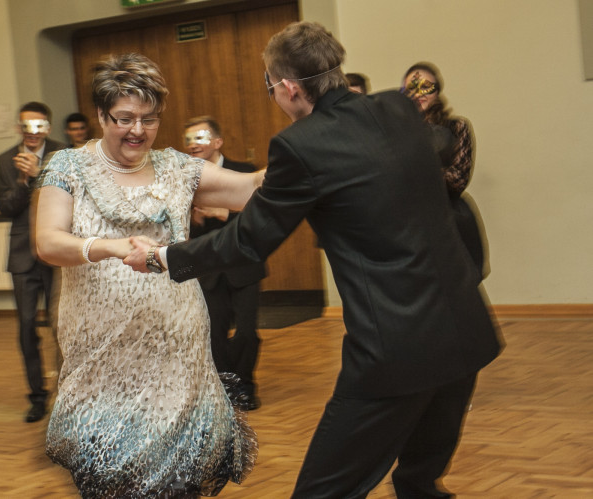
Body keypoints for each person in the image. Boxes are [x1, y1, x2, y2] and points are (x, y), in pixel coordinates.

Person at [125, 21, 503, 498]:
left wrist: (161, 257)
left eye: (269, 86)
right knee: (418, 482)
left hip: (396, 346)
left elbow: (246, 242)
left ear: (288, 88)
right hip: (465, 326)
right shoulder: (398, 108)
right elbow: (440, 144)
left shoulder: (300, 145)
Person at [34, 53, 260, 497]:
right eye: (125, 118)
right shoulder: (67, 168)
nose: (138, 130)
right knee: (111, 479)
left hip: (178, 352)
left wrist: (308, 149)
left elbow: (251, 189)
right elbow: (48, 242)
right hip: (103, 360)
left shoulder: (178, 168)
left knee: (178, 483)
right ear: (101, 115)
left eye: (150, 119)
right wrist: (108, 247)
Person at [184, 116, 266, 411]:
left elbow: (261, 216)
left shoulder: (243, 172)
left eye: (200, 137)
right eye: (188, 139)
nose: (193, 144)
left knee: (246, 332)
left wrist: (224, 213)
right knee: (214, 334)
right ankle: (228, 386)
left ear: (217, 142)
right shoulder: (186, 180)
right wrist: (192, 221)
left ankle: (246, 385)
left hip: (244, 266)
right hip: (209, 270)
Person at [0, 101, 66, 423]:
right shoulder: (5, 160)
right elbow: (5, 207)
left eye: (39, 126)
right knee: (26, 327)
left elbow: (73, 197)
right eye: (26, 126)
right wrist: (24, 181)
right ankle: (37, 397)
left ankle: (67, 393)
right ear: (18, 128)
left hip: (57, 253)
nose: (32, 132)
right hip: (23, 256)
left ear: (47, 128)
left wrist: (40, 176)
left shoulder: (63, 154)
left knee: (61, 326)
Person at [402, 62, 488, 277]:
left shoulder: (457, 127)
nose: (419, 93)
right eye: (412, 87)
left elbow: (458, 179)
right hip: (411, 223)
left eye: (426, 87)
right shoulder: (397, 131)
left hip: (451, 220)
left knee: (459, 284)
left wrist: (419, 169)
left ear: (437, 91)